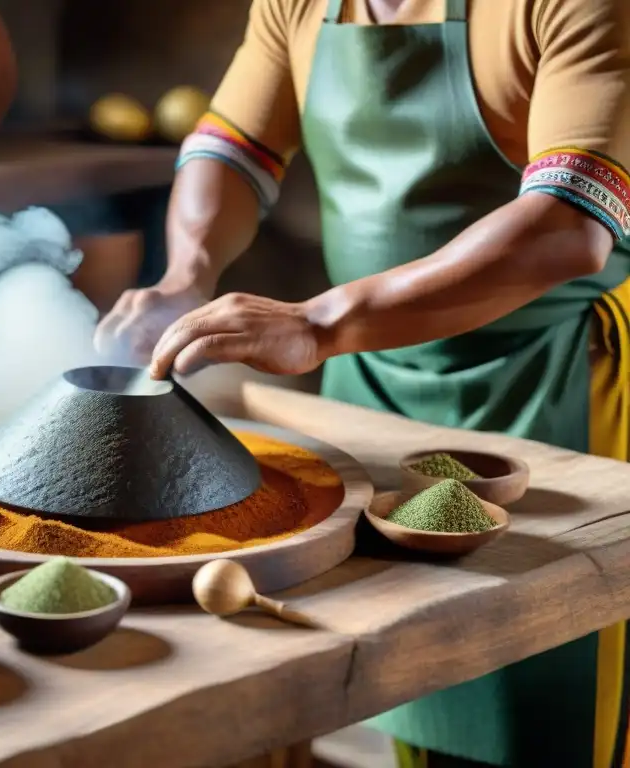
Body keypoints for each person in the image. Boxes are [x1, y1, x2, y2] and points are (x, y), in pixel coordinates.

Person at [94, 0, 630, 766]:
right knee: (404, 677)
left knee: (549, 705)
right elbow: (232, 150)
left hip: (552, 386)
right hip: (370, 382)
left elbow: (569, 225)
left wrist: (318, 324)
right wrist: (188, 275)